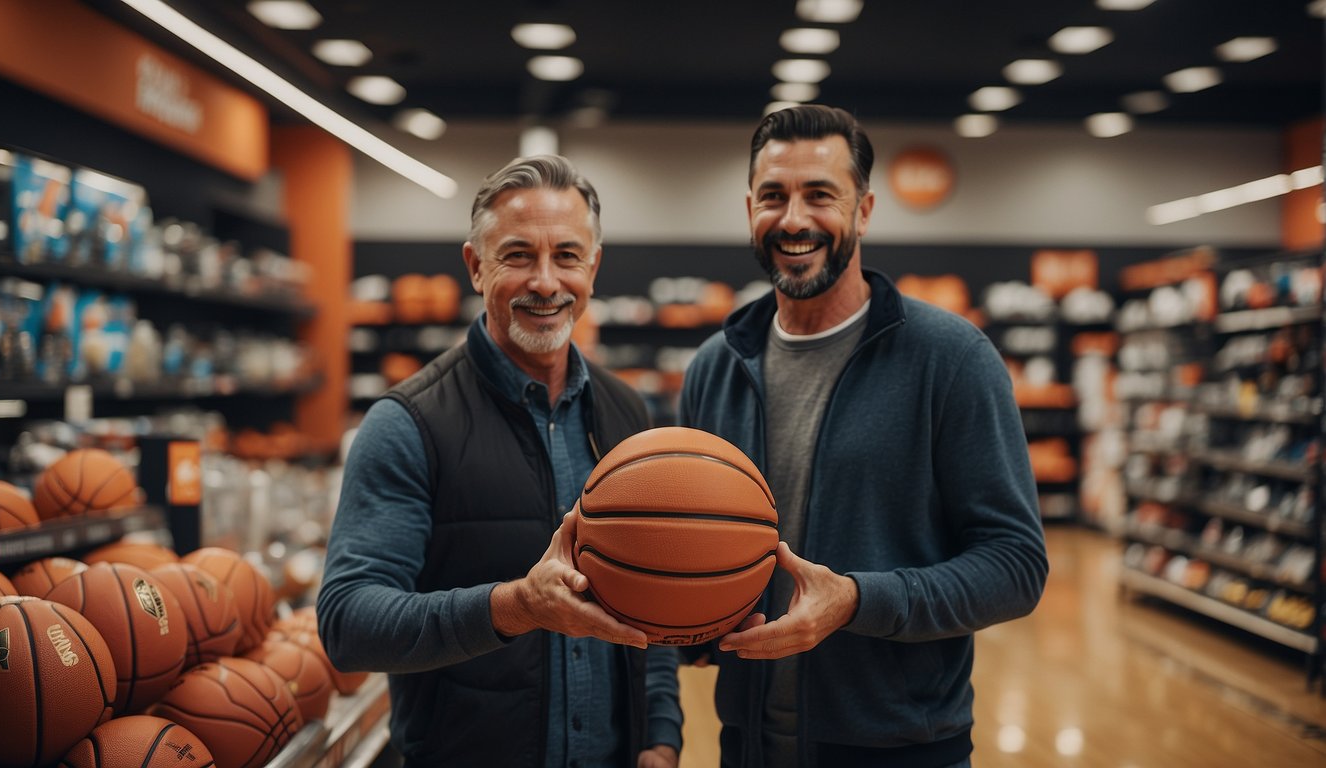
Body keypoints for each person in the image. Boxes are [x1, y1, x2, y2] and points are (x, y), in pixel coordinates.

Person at [679, 104, 1049, 768]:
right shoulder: (716, 365)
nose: (793, 219)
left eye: (820, 195)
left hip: (900, 748)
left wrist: (857, 601)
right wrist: (688, 619)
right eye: (774, 196)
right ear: (749, 210)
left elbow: (1016, 566)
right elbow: (690, 544)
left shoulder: (950, 359)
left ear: (865, 210)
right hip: (748, 743)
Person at [317, 155, 682, 768]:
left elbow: (656, 595)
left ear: (593, 267)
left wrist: (661, 735)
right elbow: (349, 623)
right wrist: (514, 608)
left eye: (567, 255)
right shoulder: (408, 424)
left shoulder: (626, 415)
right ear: (476, 267)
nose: (545, 282)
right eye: (517, 255)